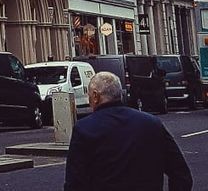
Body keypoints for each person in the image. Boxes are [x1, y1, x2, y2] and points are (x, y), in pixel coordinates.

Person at [63, 71, 192, 191]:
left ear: (96, 96)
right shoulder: (152, 123)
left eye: (89, 95)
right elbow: (181, 174)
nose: (89, 100)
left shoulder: (84, 129)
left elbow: (74, 183)